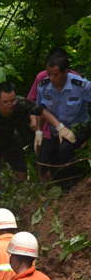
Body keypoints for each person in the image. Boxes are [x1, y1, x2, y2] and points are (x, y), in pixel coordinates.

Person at [0, 81, 73, 201]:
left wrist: (60, 127)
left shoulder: (20, 103)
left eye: (12, 101)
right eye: (5, 102)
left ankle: (17, 200)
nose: (10, 105)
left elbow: (41, 111)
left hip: (11, 138)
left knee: (22, 173)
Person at [35, 54, 91, 193]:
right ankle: (56, 183)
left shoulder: (80, 85)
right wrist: (38, 131)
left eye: (56, 75)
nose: (52, 78)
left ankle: (70, 187)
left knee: (64, 149)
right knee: (46, 154)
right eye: (49, 74)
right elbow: (40, 109)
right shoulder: (44, 86)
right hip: (56, 130)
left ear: (66, 72)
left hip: (79, 127)